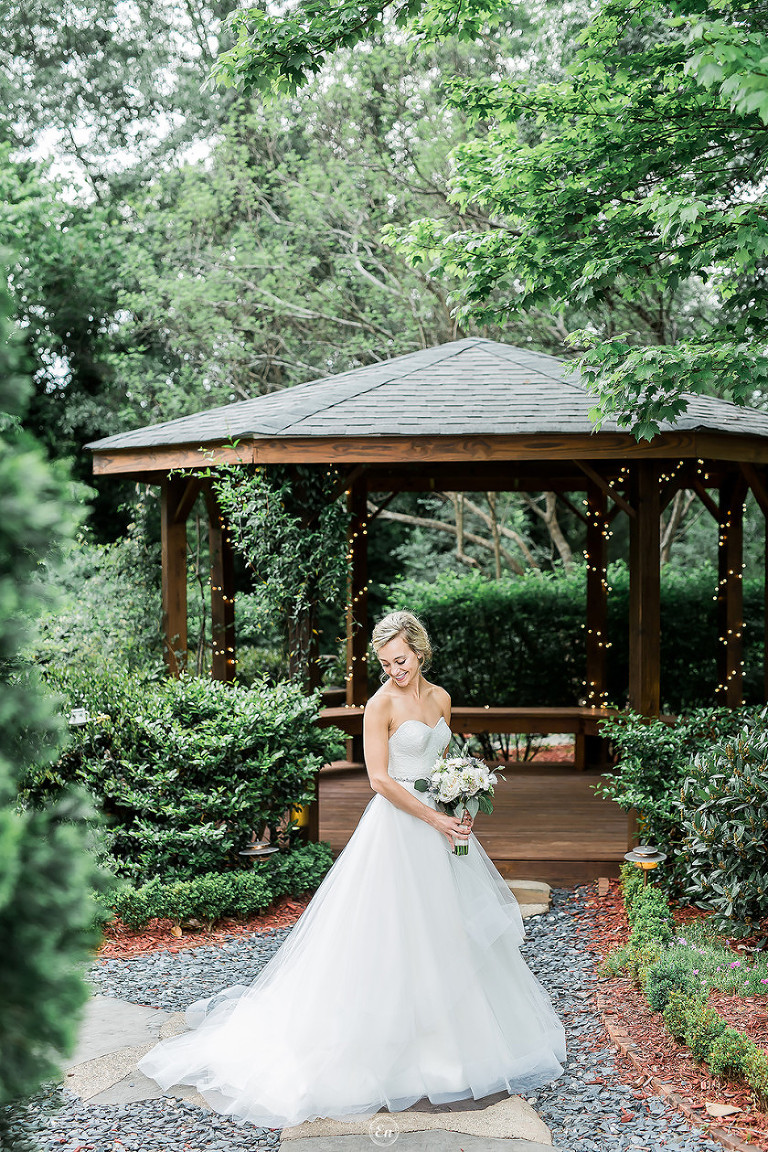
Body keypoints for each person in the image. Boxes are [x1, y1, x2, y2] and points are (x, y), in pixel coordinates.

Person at [137, 610, 567, 1128]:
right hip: (399, 831)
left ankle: (458, 1039)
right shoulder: (380, 705)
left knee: (448, 929)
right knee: (392, 932)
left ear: (420, 651)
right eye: (385, 663)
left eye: (402, 660)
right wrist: (433, 816)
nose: (394, 671)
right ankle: (388, 1044)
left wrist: (463, 806)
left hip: (442, 829)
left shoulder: (442, 698)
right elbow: (381, 781)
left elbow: (447, 763)